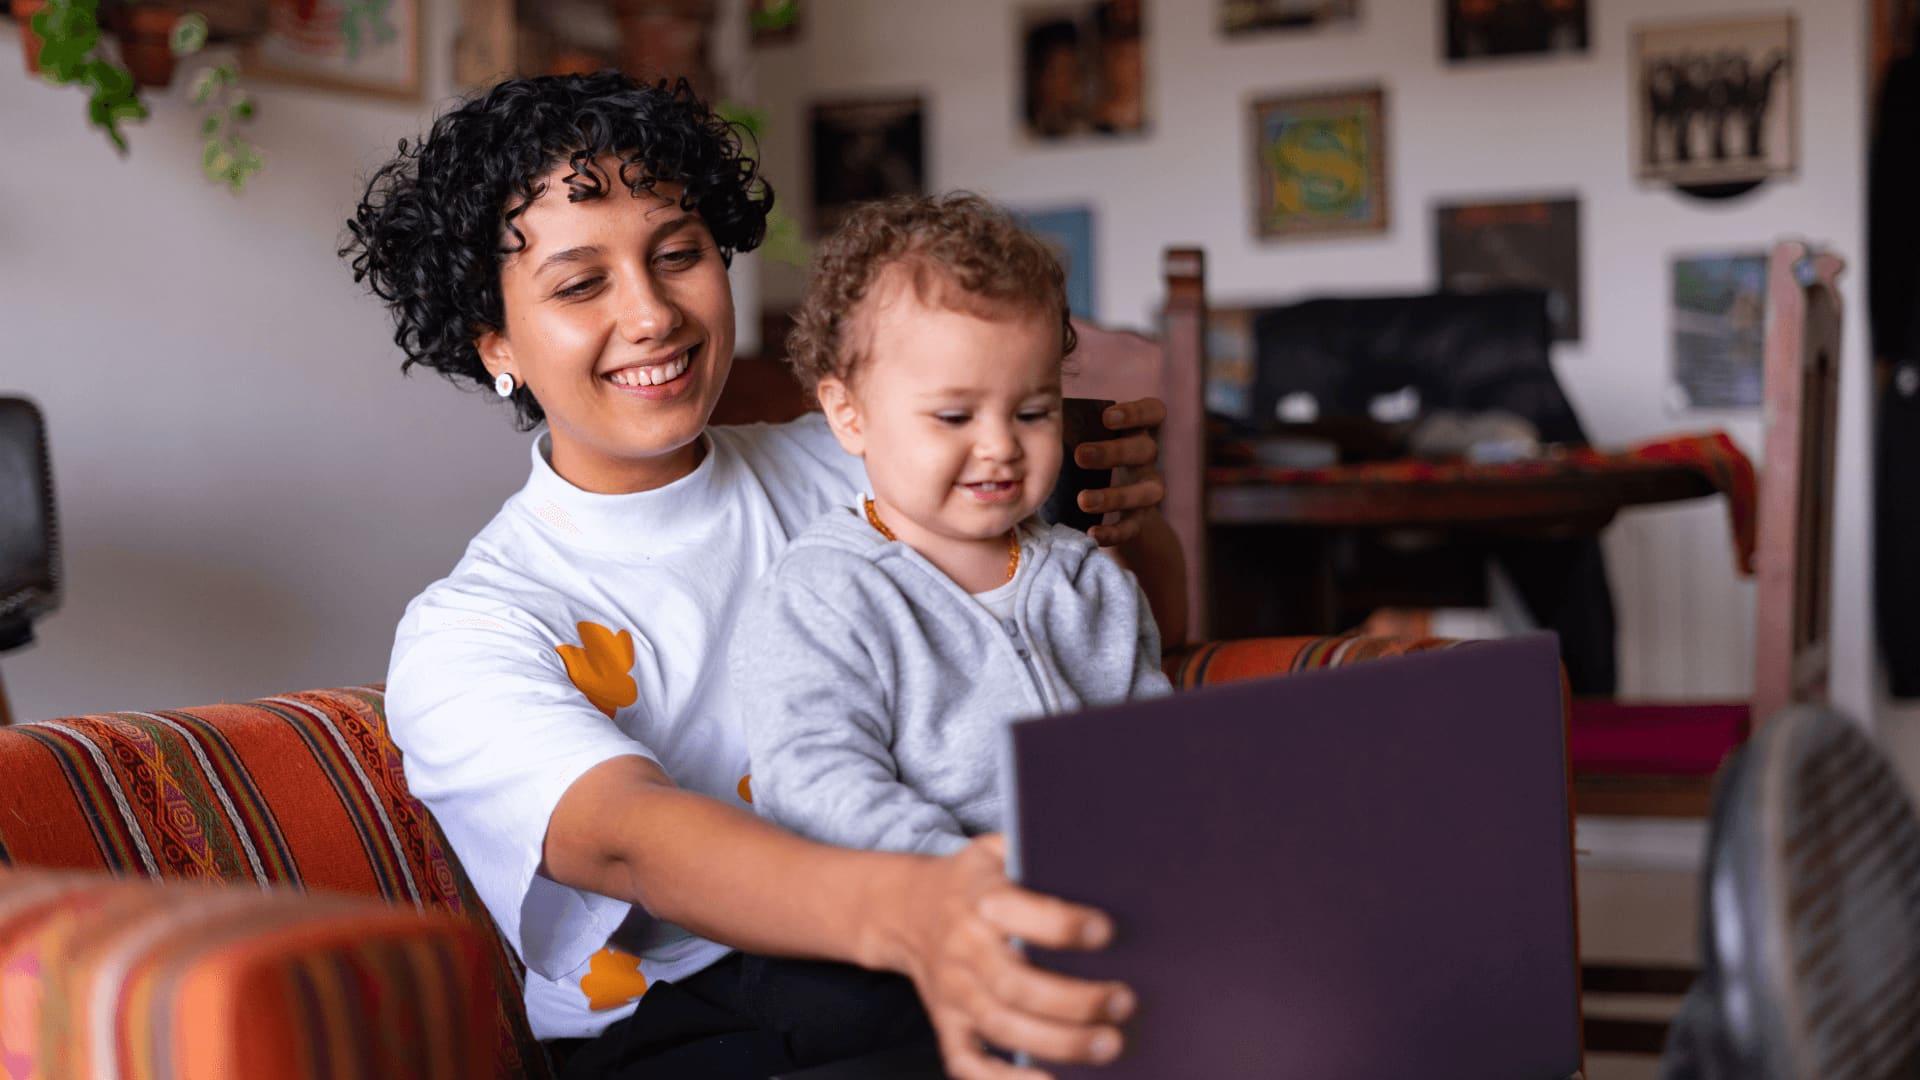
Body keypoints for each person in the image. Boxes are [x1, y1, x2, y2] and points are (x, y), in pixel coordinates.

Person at [340, 71, 1186, 1079]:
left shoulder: (868, 461)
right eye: (580, 285)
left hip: (936, 940)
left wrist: (1134, 524)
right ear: (495, 344)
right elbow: (632, 841)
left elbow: (1128, 652)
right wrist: (924, 908)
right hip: (692, 1024)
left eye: (678, 254)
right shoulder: (474, 628)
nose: (652, 314)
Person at [730, 194, 1172, 858]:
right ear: (849, 416)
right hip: (911, 915)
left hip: (1098, 887)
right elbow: (815, 781)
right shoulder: (825, 593)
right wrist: (960, 877)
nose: (999, 445)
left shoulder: (1086, 577)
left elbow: (1155, 745)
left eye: (1031, 412)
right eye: (955, 417)